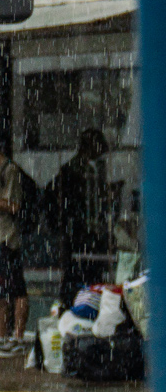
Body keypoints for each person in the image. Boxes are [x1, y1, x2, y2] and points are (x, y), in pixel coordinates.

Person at [45, 127, 114, 308]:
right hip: (79, 234)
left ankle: (80, 303)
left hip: (83, 233)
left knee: (84, 273)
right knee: (79, 274)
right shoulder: (75, 171)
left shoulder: (88, 168)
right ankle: (77, 305)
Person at [0, 144, 30, 356]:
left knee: (15, 288)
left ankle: (17, 336)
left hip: (8, 237)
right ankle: (1, 336)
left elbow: (14, 205)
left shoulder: (9, 170)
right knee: (1, 289)